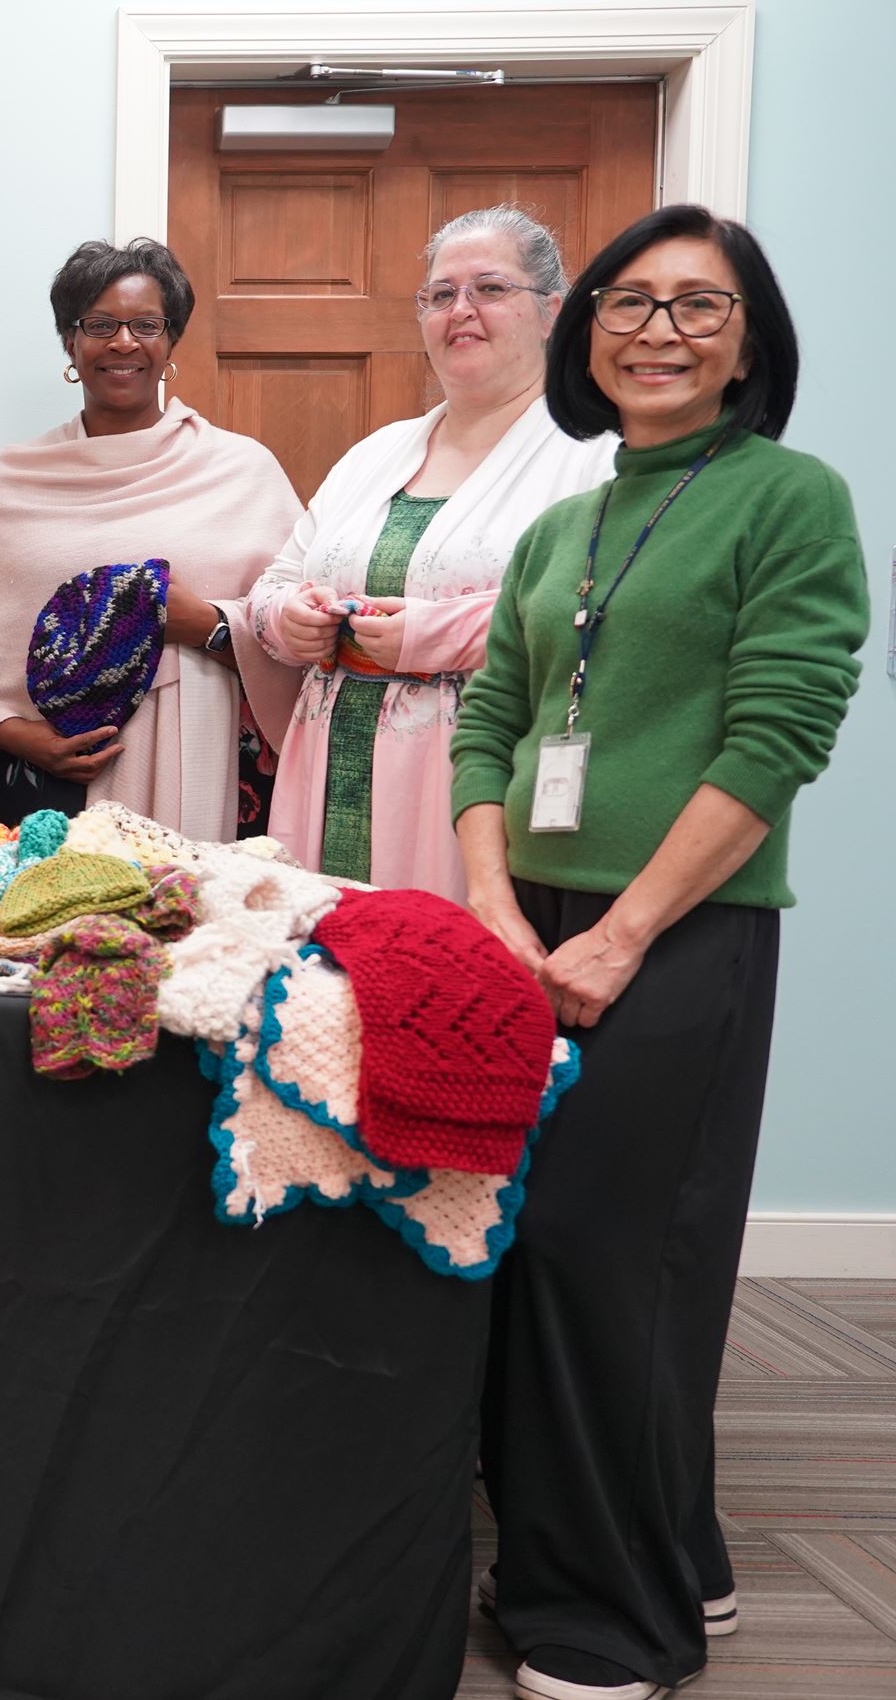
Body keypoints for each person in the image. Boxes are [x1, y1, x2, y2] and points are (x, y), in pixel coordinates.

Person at [451, 205, 866, 1700]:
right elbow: (492, 722)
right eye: (631, 303)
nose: (659, 331)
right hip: (536, 923)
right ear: (587, 335)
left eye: (701, 306)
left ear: (753, 339)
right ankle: (671, 1546)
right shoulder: (567, 520)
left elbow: (779, 735)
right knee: (535, 1252)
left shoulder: (789, 497)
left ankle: (613, 1622)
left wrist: (623, 935)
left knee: (612, 1261)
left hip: (682, 928)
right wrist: (497, 911)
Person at [247, 207, 616, 894]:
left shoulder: (594, 458)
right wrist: (288, 617)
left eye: (491, 289)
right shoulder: (375, 453)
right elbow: (275, 581)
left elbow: (593, 608)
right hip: (328, 769)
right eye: (441, 294)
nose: (462, 310)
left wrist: (430, 634)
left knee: (443, 973)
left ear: (552, 312)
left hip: (479, 773)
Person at [0, 239, 302, 847]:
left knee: (194, 929)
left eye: (146, 324)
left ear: (170, 342)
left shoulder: (243, 471)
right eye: (100, 325)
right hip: (45, 788)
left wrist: (206, 625)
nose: (124, 343)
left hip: (206, 769)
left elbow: (301, 638)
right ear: (71, 342)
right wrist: (23, 738)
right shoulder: (10, 482)